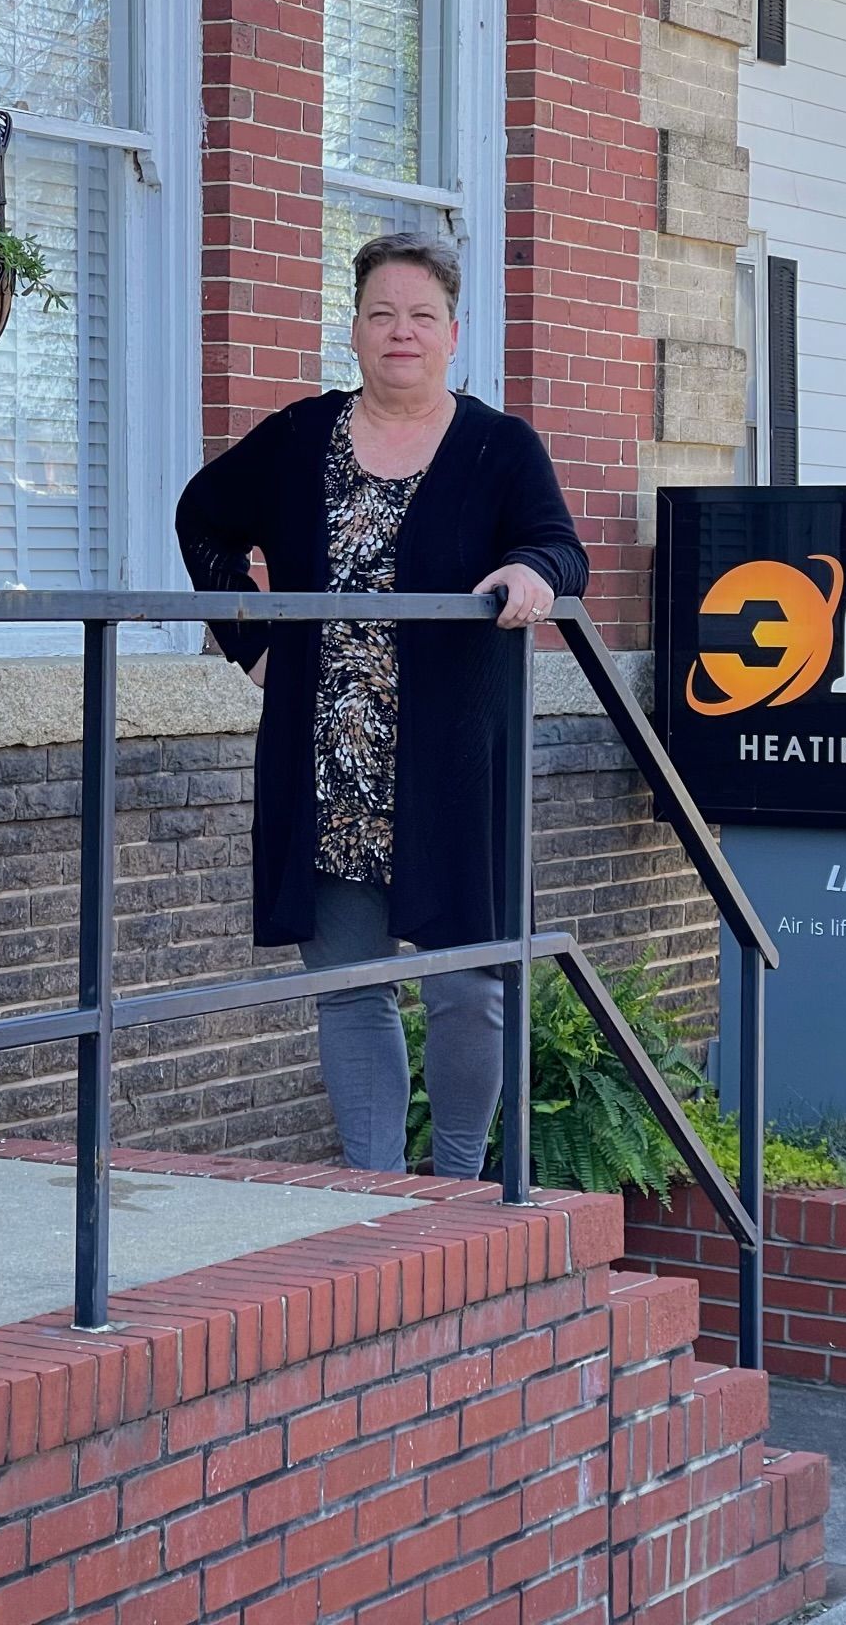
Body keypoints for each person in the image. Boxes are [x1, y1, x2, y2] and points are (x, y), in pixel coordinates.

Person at [176, 233, 589, 1178]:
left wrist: (529, 570)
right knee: (351, 987)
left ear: (454, 333)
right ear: (355, 331)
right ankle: (370, 1188)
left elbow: (561, 548)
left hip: (450, 766)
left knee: (467, 987)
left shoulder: (498, 447)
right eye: (381, 314)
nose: (401, 332)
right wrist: (253, 648)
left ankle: (455, 1184)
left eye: (422, 316)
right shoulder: (296, 440)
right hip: (324, 766)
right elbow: (202, 520)